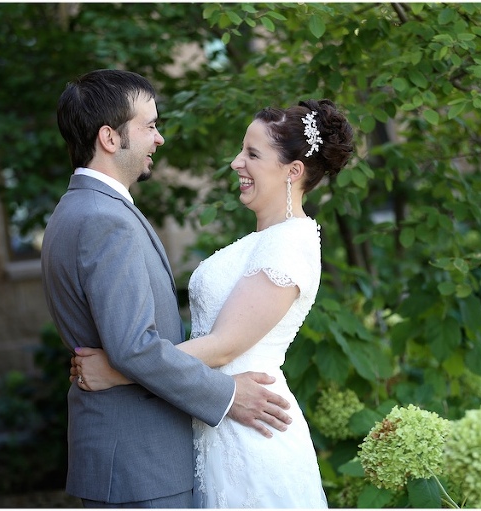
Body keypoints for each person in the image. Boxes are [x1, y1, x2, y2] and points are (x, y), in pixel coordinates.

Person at [71, 98, 355, 507]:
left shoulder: (290, 246)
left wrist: (117, 371)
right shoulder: (262, 241)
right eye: (242, 150)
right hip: (216, 421)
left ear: (293, 171)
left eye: (253, 154)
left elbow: (223, 346)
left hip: (252, 431)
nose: (237, 163)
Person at [41, 69, 294, 508]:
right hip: (141, 466)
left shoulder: (77, 209)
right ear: (109, 137)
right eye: (150, 126)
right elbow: (135, 348)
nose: (159, 139)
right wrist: (229, 395)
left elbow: (123, 348)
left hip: (128, 458)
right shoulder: (105, 220)